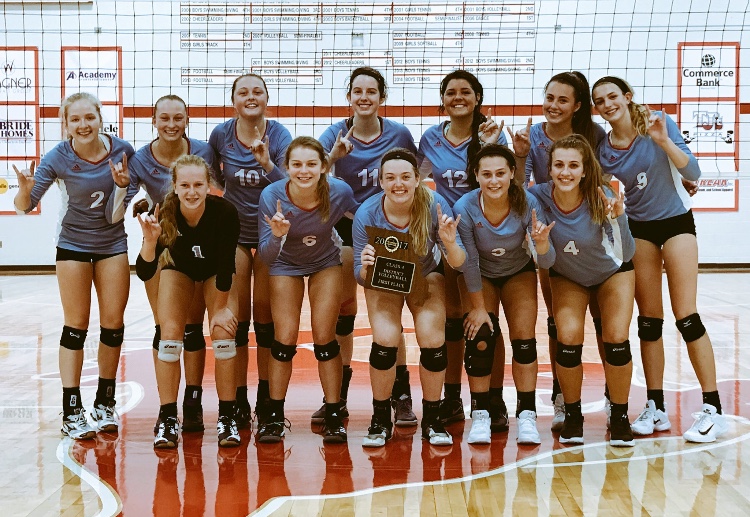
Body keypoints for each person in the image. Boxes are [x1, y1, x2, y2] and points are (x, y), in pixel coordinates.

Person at [592, 76, 726, 443]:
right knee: (649, 322)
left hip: (677, 223)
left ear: (627, 97)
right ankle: (656, 407)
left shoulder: (657, 122)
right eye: (599, 100)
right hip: (640, 229)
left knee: (687, 316)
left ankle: (713, 408)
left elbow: (693, 173)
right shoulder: (604, 149)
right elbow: (605, 189)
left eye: (612, 96)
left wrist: (664, 141)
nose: (607, 104)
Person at [13, 92, 134, 439]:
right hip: (73, 245)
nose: (83, 125)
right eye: (75, 120)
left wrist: (124, 188)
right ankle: (71, 409)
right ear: (66, 124)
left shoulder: (122, 150)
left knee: (113, 326)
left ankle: (104, 403)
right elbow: (24, 207)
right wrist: (24, 190)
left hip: (112, 244)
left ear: (100, 118)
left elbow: (117, 211)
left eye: (89, 117)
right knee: (75, 327)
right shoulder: (58, 157)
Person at [417, 69, 527, 431]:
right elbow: (416, 183)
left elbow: (515, 184)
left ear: (478, 98)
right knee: (453, 324)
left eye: (466, 91)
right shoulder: (431, 138)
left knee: (485, 324)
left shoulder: (490, 135)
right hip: (449, 238)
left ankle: (493, 400)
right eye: (451, 92)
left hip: (488, 238)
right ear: (443, 100)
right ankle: (451, 399)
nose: (458, 97)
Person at [319, 67, 419, 426]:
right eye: (357, 91)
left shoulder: (399, 134)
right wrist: (332, 157)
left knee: (390, 312)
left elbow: (412, 176)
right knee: (345, 313)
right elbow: (312, 175)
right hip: (347, 228)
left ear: (381, 97)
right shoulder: (334, 133)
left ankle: (401, 395)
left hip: (388, 229)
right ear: (349, 97)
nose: (364, 97)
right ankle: (339, 396)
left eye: (371, 91)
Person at [353, 148, 467, 447]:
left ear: (418, 179)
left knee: (431, 336)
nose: (398, 184)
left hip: (426, 273)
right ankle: (380, 419)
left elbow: (458, 262)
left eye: (405, 177)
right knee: (386, 337)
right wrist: (365, 266)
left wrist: (450, 242)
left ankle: (432, 418)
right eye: (390, 178)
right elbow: (359, 275)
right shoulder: (367, 213)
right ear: (381, 182)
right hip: (386, 276)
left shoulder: (435, 205)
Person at [529, 134, 636, 446]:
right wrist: (541, 245)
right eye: (559, 165)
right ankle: (573, 413)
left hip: (611, 272)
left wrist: (620, 219)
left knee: (616, 336)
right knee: (569, 336)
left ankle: (619, 414)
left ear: (585, 169)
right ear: (549, 169)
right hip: (568, 276)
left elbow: (626, 253)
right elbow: (545, 261)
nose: (566, 172)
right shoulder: (538, 198)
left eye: (573, 165)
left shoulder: (601, 195)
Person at [256, 136, 359, 443]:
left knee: (324, 337)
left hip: (325, 262)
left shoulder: (339, 191)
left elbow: (364, 218)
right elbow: (267, 256)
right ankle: (273, 416)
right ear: (285, 167)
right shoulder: (272, 195)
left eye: (312, 164)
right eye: (297, 164)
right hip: (285, 263)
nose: (304, 171)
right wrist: (277, 236)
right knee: (284, 338)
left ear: (323, 166)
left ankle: (333, 413)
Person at [135, 154, 241, 448]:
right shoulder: (165, 215)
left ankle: (227, 417)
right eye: (185, 185)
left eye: (198, 184)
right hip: (179, 271)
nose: (192, 191)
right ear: (175, 186)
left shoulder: (225, 213)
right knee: (168, 339)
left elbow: (225, 267)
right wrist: (149, 242)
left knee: (223, 335)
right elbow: (145, 271)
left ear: (209, 186)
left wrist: (219, 311)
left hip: (214, 274)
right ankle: (168, 418)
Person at [524, 71, 609, 431]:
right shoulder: (532, 136)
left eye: (562, 100)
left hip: (591, 236)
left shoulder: (595, 136)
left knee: (607, 323)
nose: (553, 105)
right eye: (549, 97)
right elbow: (521, 186)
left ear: (577, 106)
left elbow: (608, 179)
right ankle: (562, 396)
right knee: (559, 322)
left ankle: (612, 393)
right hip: (551, 235)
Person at [126, 94, 216, 432]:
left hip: (199, 245)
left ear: (187, 119)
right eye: (164, 118)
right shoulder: (139, 158)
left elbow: (218, 192)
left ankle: (192, 400)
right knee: (166, 328)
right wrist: (133, 196)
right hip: (163, 245)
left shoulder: (204, 152)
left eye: (178, 117)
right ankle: (166, 412)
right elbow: (127, 201)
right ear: (154, 120)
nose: (171, 124)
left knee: (193, 326)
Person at [454, 144, 554, 445]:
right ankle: (481, 413)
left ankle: (527, 415)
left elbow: (546, 263)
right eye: (486, 174)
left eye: (500, 173)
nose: (494, 181)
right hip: (480, 272)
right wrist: (479, 308)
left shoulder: (528, 203)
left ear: (513, 173)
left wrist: (542, 245)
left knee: (524, 342)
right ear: (476, 176)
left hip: (518, 271)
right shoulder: (466, 206)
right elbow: (469, 261)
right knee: (481, 336)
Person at [209, 73, 292, 427]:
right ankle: (239, 400)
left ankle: (268, 401)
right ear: (234, 101)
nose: (251, 96)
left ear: (267, 98)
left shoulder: (280, 136)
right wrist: (219, 199)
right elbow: (211, 175)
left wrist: (266, 164)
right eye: (243, 92)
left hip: (271, 233)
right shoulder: (220, 135)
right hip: (236, 234)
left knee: (267, 323)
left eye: (257, 91)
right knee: (238, 322)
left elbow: (290, 186)